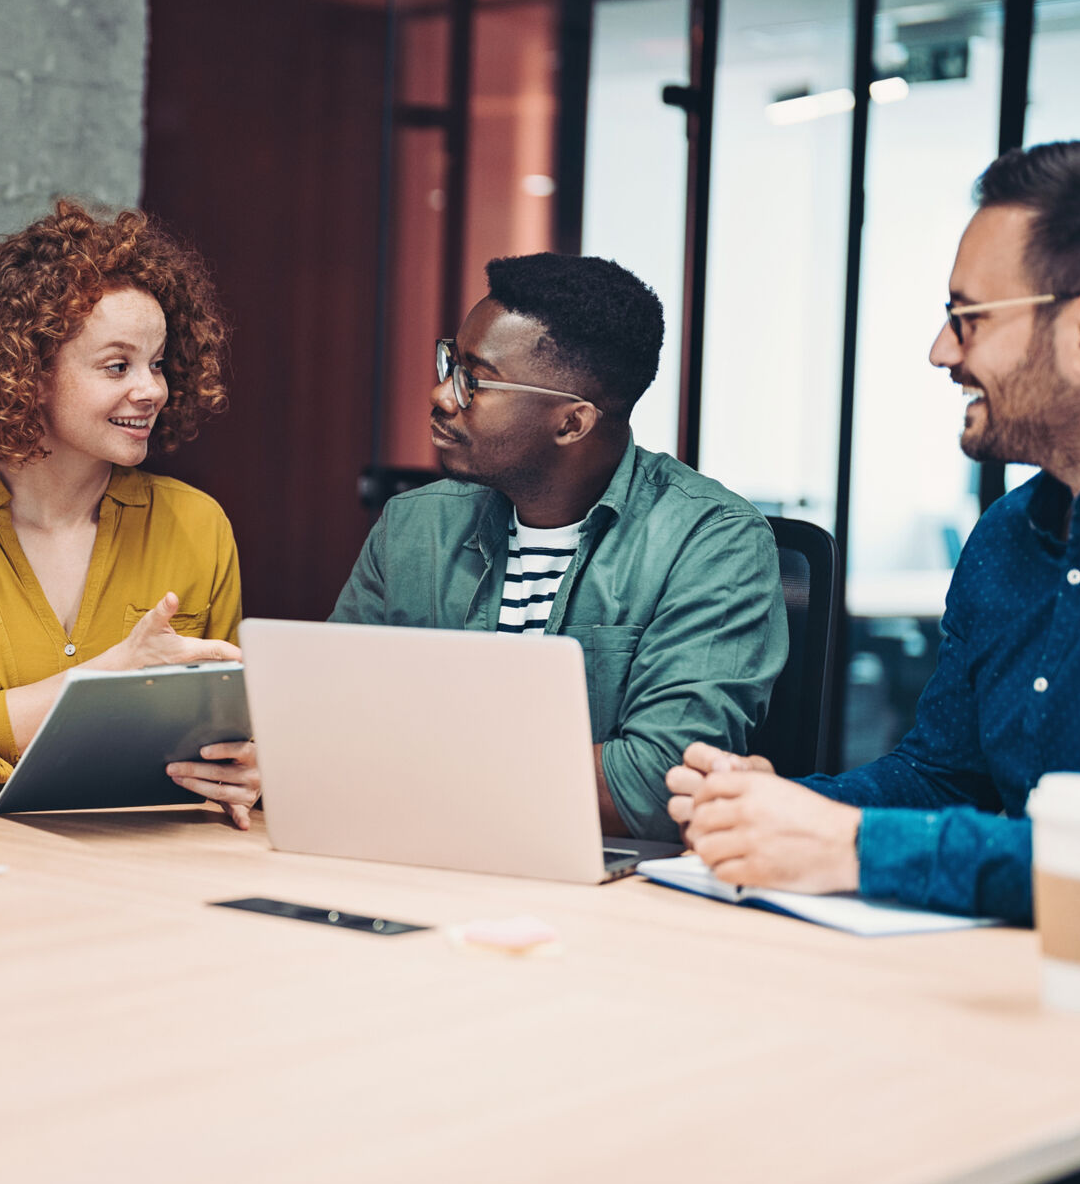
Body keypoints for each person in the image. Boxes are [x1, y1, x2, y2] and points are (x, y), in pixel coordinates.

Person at [666, 136, 1080, 929]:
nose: (941, 353)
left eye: (966, 319)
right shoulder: (1009, 534)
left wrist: (858, 846)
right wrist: (776, 805)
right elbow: (943, 777)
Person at [330, 253, 787, 841]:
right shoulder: (414, 525)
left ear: (572, 423)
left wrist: (408, 762)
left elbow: (658, 783)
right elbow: (331, 723)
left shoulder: (713, 543)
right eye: (451, 363)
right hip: (413, 848)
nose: (442, 395)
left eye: (475, 379)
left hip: (603, 886)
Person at [0, 200, 261, 826]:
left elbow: (216, 721)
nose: (151, 390)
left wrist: (244, 765)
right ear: (27, 373)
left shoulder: (198, 527)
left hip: (127, 844)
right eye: (117, 366)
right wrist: (115, 673)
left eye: (157, 364)